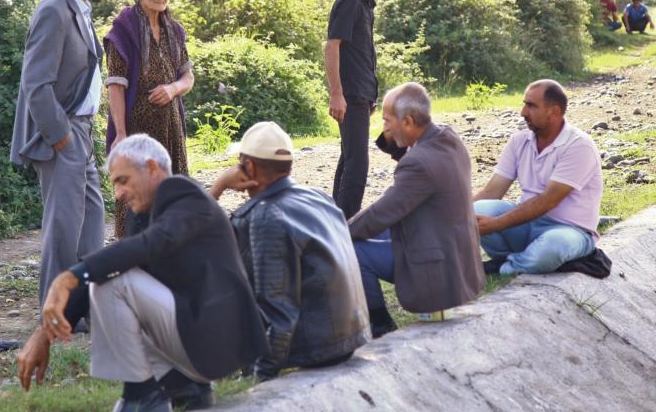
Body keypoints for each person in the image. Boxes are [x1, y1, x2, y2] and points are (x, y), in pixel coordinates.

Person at [16, 135, 269, 412]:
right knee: (108, 278)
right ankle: (185, 389)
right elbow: (122, 258)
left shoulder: (185, 195)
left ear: (151, 167)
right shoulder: (147, 210)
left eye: (123, 180)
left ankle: (143, 396)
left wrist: (69, 277)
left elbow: (149, 245)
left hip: (219, 341)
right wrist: (44, 332)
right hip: (196, 337)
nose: (117, 194)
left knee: (112, 284)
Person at [209, 121, 370, 381]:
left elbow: (279, 313)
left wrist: (260, 379)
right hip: (351, 337)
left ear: (249, 166)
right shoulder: (319, 196)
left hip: (316, 349)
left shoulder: (265, 216)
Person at [10, 0, 109, 305]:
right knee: (64, 230)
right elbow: (36, 84)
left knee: (92, 223)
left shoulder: (79, 7)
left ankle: (83, 307)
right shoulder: (53, 9)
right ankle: (57, 315)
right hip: (64, 134)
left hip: (81, 130)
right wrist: (62, 138)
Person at [349, 83, 486, 338]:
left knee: (352, 248)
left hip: (439, 272)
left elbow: (380, 214)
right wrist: (393, 133)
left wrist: (337, 232)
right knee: (370, 235)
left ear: (409, 121)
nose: (384, 128)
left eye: (387, 121)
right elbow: (406, 151)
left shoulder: (417, 164)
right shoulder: (446, 137)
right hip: (457, 257)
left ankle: (380, 327)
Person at [473, 80, 602, 275]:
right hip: (526, 225)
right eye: (524, 104)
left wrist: (495, 224)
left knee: (553, 247)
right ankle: (517, 260)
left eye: (531, 106)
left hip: (569, 230)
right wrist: (452, 217)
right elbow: (492, 191)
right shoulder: (519, 141)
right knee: (476, 210)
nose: (523, 112)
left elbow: (547, 201)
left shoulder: (579, 146)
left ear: (554, 111)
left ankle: (505, 267)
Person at [104, 0, 194, 237]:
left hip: (171, 128)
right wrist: (120, 134)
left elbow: (187, 77)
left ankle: (172, 244)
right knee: (136, 190)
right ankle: (133, 249)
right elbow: (116, 87)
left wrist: (173, 88)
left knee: (172, 187)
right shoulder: (122, 32)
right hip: (137, 129)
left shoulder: (174, 31)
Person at [324, 0, 385, 220]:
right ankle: (347, 228)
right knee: (357, 165)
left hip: (360, 96)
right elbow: (332, 47)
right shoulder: (349, 3)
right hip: (349, 96)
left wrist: (370, 94)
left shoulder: (363, 5)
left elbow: (361, 55)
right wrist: (337, 94)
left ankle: (335, 222)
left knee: (349, 160)